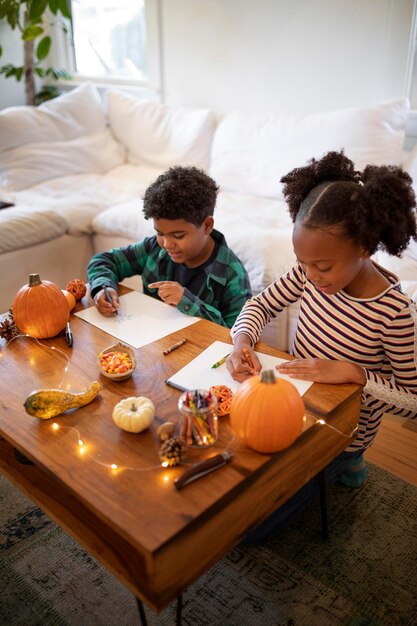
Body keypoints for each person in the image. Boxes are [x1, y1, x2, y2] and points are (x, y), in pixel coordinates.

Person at [227, 150, 417, 542]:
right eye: (304, 263)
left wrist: (356, 374)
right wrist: (241, 339)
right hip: (295, 403)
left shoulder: (396, 314)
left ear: (364, 247)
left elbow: (414, 402)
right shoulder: (308, 271)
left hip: (343, 430)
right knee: (232, 479)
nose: (311, 277)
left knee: (250, 529)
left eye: (323, 267)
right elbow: (260, 304)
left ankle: (352, 462)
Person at [88, 166, 252, 328]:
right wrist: (104, 287)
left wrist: (186, 302)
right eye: (160, 233)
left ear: (207, 225)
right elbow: (104, 260)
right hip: (151, 341)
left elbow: (237, 335)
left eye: (178, 236)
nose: (166, 244)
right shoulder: (154, 248)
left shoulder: (233, 275)